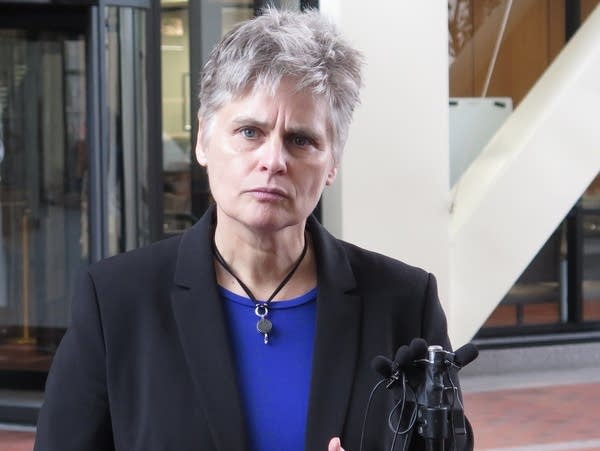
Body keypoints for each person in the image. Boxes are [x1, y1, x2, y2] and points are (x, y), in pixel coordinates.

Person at [35, 8, 473, 451]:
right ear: (203, 138)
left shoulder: (404, 302)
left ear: (333, 163)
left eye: (301, 139)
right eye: (249, 131)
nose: (273, 160)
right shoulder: (115, 302)